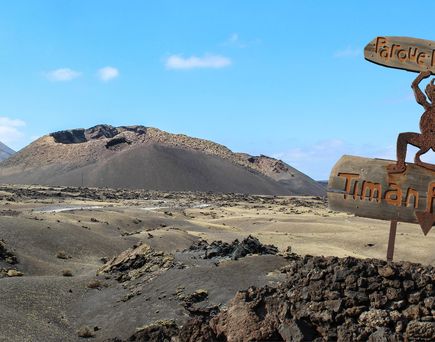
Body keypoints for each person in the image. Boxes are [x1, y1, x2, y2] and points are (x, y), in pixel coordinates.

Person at [387, 70, 435, 173]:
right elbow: (414, 86)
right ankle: (400, 165)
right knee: (402, 137)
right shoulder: (428, 107)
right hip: (425, 138)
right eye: (432, 92)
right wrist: (421, 76)